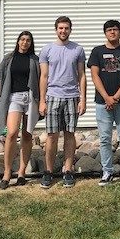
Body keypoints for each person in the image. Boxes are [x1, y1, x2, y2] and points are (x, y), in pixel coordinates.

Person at [88, 20, 120, 187]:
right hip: (102, 103)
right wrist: (106, 97)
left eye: (115, 30)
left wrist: (115, 97)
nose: (112, 33)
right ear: (105, 33)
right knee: (104, 139)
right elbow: (95, 76)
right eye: (109, 30)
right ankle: (107, 172)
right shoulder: (97, 51)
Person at [38, 16, 86, 188]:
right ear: (56, 29)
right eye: (60, 28)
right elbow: (43, 77)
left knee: (69, 135)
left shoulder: (78, 49)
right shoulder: (47, 50)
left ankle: (67, 171)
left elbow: (81, 76)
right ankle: (48, 172)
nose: (63, 31)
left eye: (66, 28)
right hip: (52, 96)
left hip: (72, 96)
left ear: (70, 30)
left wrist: (83, 99)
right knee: (51, 136)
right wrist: (42, 101)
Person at [0, 31, 41, 190]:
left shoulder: (35, 60)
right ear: (18, 41)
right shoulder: (8, 58)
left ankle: (22, 172)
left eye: (28, 40)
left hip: (30, 98)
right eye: (22, 39)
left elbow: (42, 79)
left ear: (31, 43)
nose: (25, 42)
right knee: (12, 132)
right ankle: (7, 172)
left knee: (27, 134)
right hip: (13, 97)